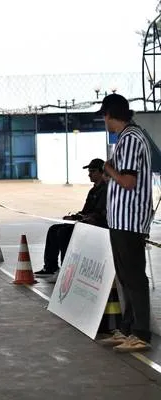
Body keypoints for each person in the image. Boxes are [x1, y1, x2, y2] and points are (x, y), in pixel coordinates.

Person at [95, 94, 154, 353]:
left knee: (133, 277)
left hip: (129, 220)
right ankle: (128, 328)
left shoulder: (130, 139)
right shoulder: (129, 137)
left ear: (111, 114)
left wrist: (109, 170)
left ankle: (141, 331)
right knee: (125, 277)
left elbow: (128, 182)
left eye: (105, 116)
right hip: (121, 219)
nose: (104, 121)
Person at [34, 158, 108, 283]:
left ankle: (66, 270)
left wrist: (80, 218)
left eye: (93, 171)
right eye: (89, 171)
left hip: (98, 226)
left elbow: (98, 214)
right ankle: (50, 267)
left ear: (102, 172)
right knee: (53, 229)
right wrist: (75, 216)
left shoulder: (105, 190)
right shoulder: (93, 190)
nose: (89, 174)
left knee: (63, 233)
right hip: (86, 222)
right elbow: (86, 211)